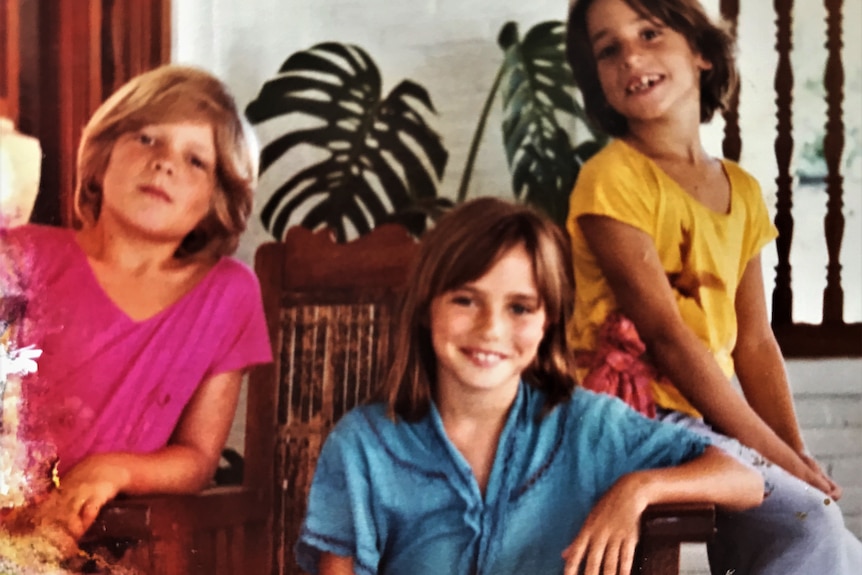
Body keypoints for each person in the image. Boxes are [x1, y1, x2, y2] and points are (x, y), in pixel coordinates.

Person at [294, 196, 763, 575]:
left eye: (519, 308)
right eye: (465, 300)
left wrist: (637, 490)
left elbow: (745, 478)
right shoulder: (362, 446)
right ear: (425, 308)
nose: (491, 329)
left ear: (547, 324)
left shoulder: (588, 428)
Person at [564, 0, 862, 573]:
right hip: (630, 418)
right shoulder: (613, 179)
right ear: (598, 79)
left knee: (830, 535)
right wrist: (780, 461)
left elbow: (753, 342)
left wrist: (795, 452)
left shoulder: (742, 190)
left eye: (650, 33)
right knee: (814, 520)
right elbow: (669, 340)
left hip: (704, 417)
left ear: (701, 52)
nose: (631, 57)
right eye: (609, 49)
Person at [0, 65, 272, 547]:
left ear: (218, 199)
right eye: (147, 139)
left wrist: (114, 469)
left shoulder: (229, 293)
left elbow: (197, 457)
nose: (165, 162)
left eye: (196, 161)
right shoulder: (19, 255)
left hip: (102, 545)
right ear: (101, 158)